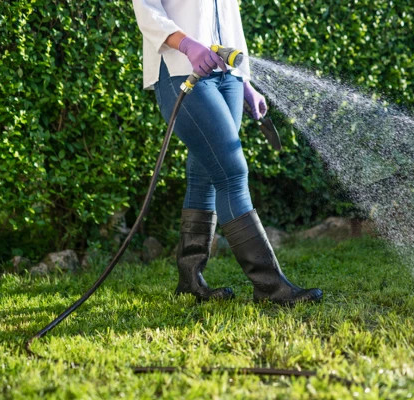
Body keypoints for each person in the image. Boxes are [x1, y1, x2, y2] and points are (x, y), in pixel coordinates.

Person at [132, 0, 322, 305]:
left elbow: (227, 17)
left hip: (228, 76)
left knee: (205, 173)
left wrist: (245, 81)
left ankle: (190, 280)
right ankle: (270, 286)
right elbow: (147, 9)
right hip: (182, 70)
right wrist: (188, 46)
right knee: (232, 172)